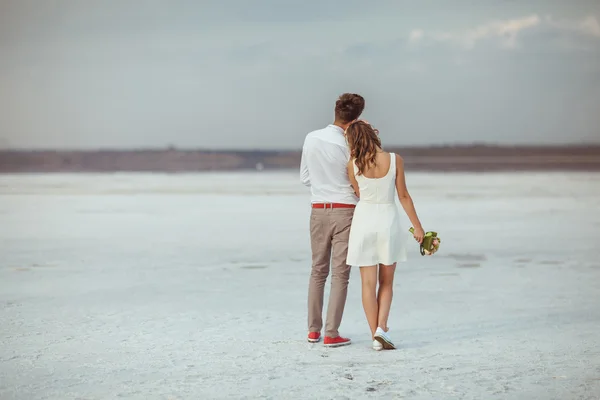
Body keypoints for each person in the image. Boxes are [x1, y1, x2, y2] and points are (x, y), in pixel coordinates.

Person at [344, 120, 425, 351]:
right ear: (374, 134)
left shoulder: (352, 165)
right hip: (388, 221)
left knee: (367, 285)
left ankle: (375, 337)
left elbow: (358, 193)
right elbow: (404, 196)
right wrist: (418, 228)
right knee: (386, 282)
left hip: (364, 222)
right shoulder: (395, 159)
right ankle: (382, 328)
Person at [300, 93, 365, 347]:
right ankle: (331, 332)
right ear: (356, 118)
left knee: (317, 271)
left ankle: (313, 330)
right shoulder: (351, 145)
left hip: (318, 209)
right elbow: (358, 180)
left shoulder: (311, 137)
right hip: (345, 210)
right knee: (340, 274)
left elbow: (305, 178)